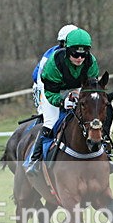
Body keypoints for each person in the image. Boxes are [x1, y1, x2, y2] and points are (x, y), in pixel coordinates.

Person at [25, 27, 100, 176]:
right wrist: (62, 102)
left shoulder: (91, 62)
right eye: (75, 54)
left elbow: (91, 87)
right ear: (67, 49)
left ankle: (105, 152)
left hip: (75, 87)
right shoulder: (54, 62)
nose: (79, 58)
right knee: (51, 122)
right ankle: (34, 160)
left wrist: (81, 97)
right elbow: (49, 90)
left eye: (83, 54)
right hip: (51, 89)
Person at [32, 24, 78, 114]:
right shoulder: (51, 57)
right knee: (49, 115)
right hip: (43, 85)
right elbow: (38, 79)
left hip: (65, 86)